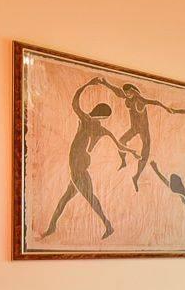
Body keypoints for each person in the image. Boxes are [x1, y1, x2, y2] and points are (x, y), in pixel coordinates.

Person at [42, 79, 132, 240]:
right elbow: (75, 103)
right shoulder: (88, 121)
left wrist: (87, 85)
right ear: (101, 115)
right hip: (77, 168)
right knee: (67, 199)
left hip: (79, 169)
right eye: (104, 117)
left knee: (89, 199)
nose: (102, 120)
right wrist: (86, 84)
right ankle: (52, 226)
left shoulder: (92, 123)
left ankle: (108, 225)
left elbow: (117, 143)